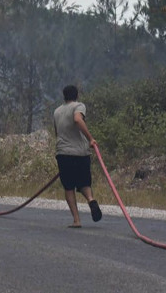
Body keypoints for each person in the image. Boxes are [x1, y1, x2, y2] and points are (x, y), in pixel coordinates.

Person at [53, 85, 102, 228]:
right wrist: (90, 139)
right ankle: (91, 200)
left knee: (69, 187)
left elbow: (57, 133)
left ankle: (76, 220)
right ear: (77, 95)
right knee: (84, 183)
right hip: (80, 153)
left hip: (63, 153)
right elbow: (77, 119)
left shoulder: (56, 111)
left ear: (64, 96)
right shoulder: (79, 106)